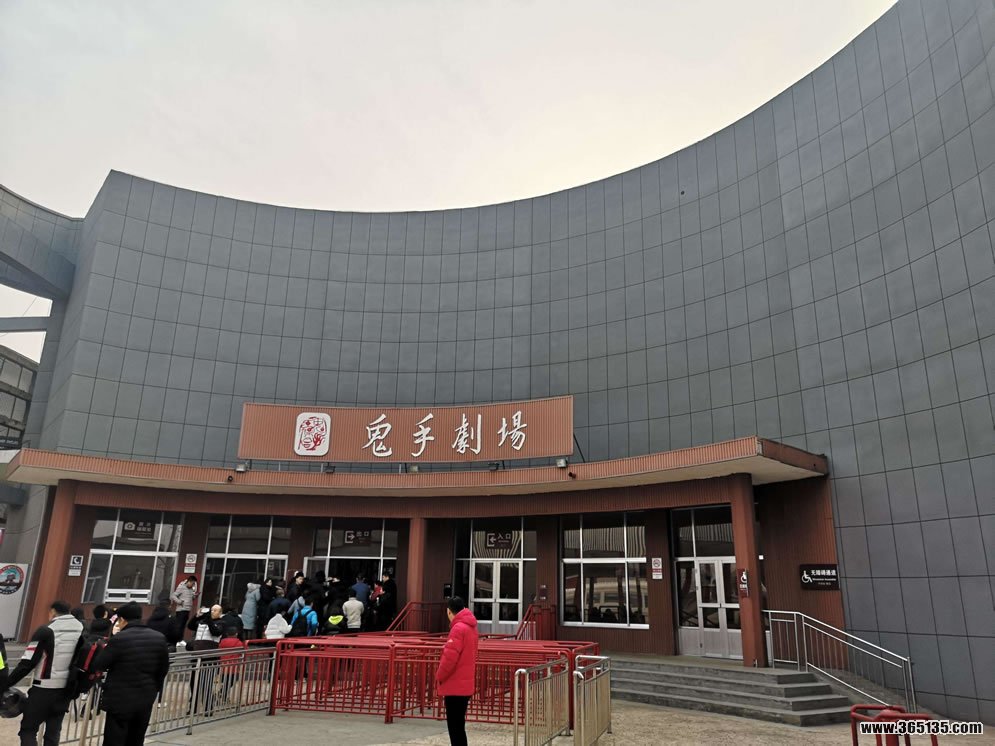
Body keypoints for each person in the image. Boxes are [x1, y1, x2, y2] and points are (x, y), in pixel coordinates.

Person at [5, 600, 84, 746]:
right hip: (66, 690)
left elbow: (27, 663)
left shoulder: (46, 630)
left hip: (43, 689)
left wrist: (6, 683)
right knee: (53, 733)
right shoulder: (81, 629)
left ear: (53, 611)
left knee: (28, 730)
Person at [93, 602, 169, 746]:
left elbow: (100, 664)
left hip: (119, 699)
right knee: (136, 739)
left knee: (114, 739)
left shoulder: (119, 639)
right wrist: (154, 689)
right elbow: (163, 668)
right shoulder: (159, 638)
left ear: (122, 619)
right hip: (145, 698)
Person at [435, 597, 478, 746]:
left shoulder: (458, 629)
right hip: (465, 684)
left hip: (454, 685)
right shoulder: (471, 627)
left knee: (454, 727)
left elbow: (449, 658)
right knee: (459, 726)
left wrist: (439, 676)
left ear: (449, 611)